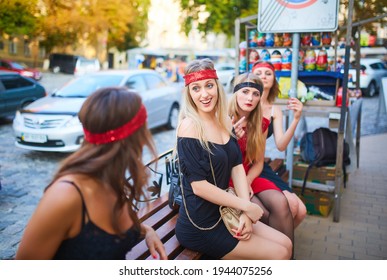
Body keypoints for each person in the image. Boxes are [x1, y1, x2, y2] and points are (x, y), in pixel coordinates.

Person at [16, 87, 167, 260]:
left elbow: (115, 231)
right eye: (144, 128)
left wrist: (148, 231)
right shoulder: (66, 195)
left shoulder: (111, 178)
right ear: (134, 137)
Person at [175, 58, 292, 260]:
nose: (204, 94)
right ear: (189, 93)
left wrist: (245, 212)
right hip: (202, 225)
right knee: (280, 254)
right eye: (196, 88)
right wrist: (246, 206)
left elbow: (237, 167)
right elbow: (199, 187)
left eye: (209, 86)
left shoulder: (224, 123)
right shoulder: (190, 126)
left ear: (218, 87)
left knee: (286, 243)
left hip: (226, 212)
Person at [228, 72, 295, 244]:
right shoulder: (223, 119)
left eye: (255, 93)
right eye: (245, 91)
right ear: (235, 92)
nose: (250, 97)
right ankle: (274, 251)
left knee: (281, 202)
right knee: (262, 212)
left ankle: (287, 257)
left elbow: (258, 162)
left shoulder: (261, 123)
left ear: (260, 98)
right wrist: (230, 137)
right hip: (227, 178)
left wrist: (248, 180)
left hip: (249, 175)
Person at [252, 60, 307, 228]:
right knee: (291, 206)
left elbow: (281, 145)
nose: (263, 76)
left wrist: (296, 118)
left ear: (274, 79)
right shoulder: (246, 102)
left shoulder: (275, 109)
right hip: (246, 166)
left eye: (268, 73)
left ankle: (283, 244)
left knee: (301, 210)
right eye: (258, 73)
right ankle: (280, 246)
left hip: (262, 166)